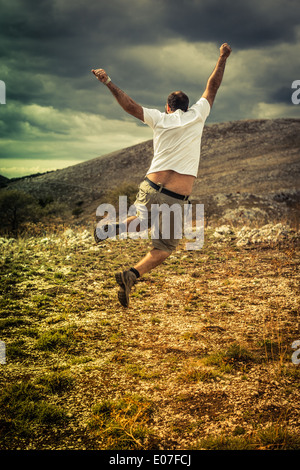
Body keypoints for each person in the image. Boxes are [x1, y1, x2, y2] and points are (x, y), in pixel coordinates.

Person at [92, 43, 232, 307]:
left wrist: (108, 82)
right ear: (188, 107)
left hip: (149, 186)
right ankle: (130, 275)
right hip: (173, 198)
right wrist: (222, 57)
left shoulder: (159, 118)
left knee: (143, 222)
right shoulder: (198, 115)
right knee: (164, 248)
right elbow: (212, 87)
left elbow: (131, 106)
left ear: (168, 108)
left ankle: (110, 229)